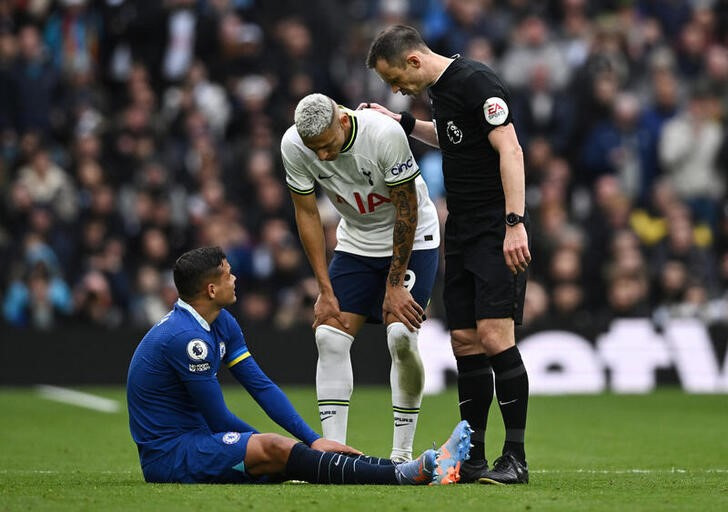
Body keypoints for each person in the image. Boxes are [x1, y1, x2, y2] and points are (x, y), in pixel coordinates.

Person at [126, 246, 470, 484]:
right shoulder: (187, 340)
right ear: (211, 289)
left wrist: (310, 439)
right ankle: (406, 474)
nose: (236, 279)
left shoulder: (221, 323)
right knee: (275, 449)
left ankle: (416, 468)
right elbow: (218, 419)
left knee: (296, 456)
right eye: (229, 275)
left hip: (199, 443)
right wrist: (276, 443)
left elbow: (260, 385)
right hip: (172, 456)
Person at [363, 25, 532, 485]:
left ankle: (514, 458)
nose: (396, 89)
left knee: (496, 337)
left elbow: (510, 149)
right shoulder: (440, 91)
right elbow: (454, 137)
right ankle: (473, 457)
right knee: (464, 342)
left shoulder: (477, 81)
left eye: (395, 79)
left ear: (414, 60)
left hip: (496, 228)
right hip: (459, 230)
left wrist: (514, 224)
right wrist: (403, 124)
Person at [281, 93, 441, 463]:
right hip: (356, 242)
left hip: (413, 236)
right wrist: (324, 289)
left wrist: (395, 284)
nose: (320, 156)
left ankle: (402, 455)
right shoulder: (294, 144)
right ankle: (334, 454)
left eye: (325, 146)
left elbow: (407, 209)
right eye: (313, 149)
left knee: (401, 335)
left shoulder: (383, 134)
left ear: (341, 120)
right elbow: (306, 214)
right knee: (328, 335)